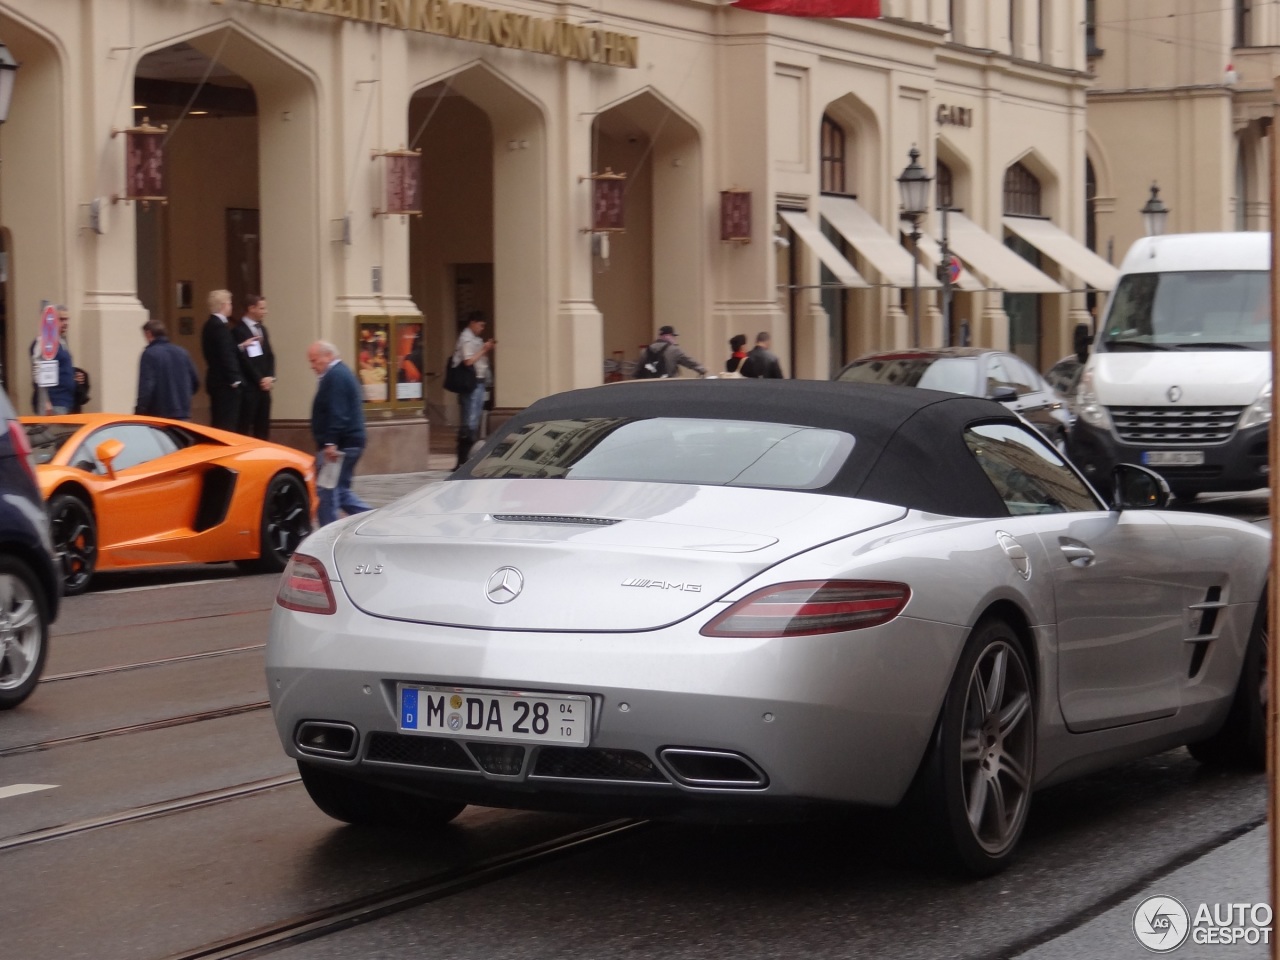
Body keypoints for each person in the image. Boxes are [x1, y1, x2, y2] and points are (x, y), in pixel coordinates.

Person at [307, 340, 371, 526]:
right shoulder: (339, 374)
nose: (312, 366)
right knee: (339, 490)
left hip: (340, 445)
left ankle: (328, 531)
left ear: (328, 356)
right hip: (348, 442)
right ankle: (372, 519)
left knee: (326, 492)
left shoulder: (335, 376)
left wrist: (330, 442)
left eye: (314, 360)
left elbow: (338, 412)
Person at [451, 311, 495, 469]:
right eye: (481, 325)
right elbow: (468, 361)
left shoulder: (474, 338)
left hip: (479, 382)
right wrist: (484, 349)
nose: (482, 328)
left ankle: (466, 459)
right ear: (473, 322)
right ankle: (462, 460)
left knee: (474, 422)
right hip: (471, 383)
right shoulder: (466, 338)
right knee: (469, 422)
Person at [135, 319, 200, 420]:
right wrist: (183, 396)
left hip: (159, 413)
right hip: (182, 411)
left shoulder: (149, 354)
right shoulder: (182, 352)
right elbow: (195, 382)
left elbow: (146, 387)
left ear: (149, 333)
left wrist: (139, 411)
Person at [233, 294, 275, 439]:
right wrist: (259, 379)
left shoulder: (263, 329)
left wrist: (270, 377)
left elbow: (270, 356)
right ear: (251, 308)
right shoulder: (239, 331)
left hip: (265, 388)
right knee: (244, 427)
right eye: (262, 308)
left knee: (263, 429)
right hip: (250, 388)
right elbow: (245, 360)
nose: (266, 311)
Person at [201, 289, 243, 432]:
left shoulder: (209, 325)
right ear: (224, 305)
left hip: (216, 380)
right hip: (224, 383)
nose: (231, 307)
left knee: (219, 420)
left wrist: (240, 346)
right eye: (230, 303)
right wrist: (235, 380)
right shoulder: (220, 327)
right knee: (226, 424)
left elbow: (220, 350)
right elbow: (225, 355)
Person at [29, 305, 83, 415]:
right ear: (51, 321)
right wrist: (46, 401)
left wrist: (74, 376)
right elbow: (38, 373)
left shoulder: (62, 342)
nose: (66, 323)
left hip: (67, 403)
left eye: (67, 319)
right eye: (62, 319)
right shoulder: (44, 343)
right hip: (55, 404)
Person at [642, 325, 707, 378]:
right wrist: (702, 370)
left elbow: (638, 368)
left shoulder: (647, 350)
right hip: (670, 384)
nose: (674, 338)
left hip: (651, 385)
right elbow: (689, 362)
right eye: (673, 336)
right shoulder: (673, 350)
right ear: (666, 336)